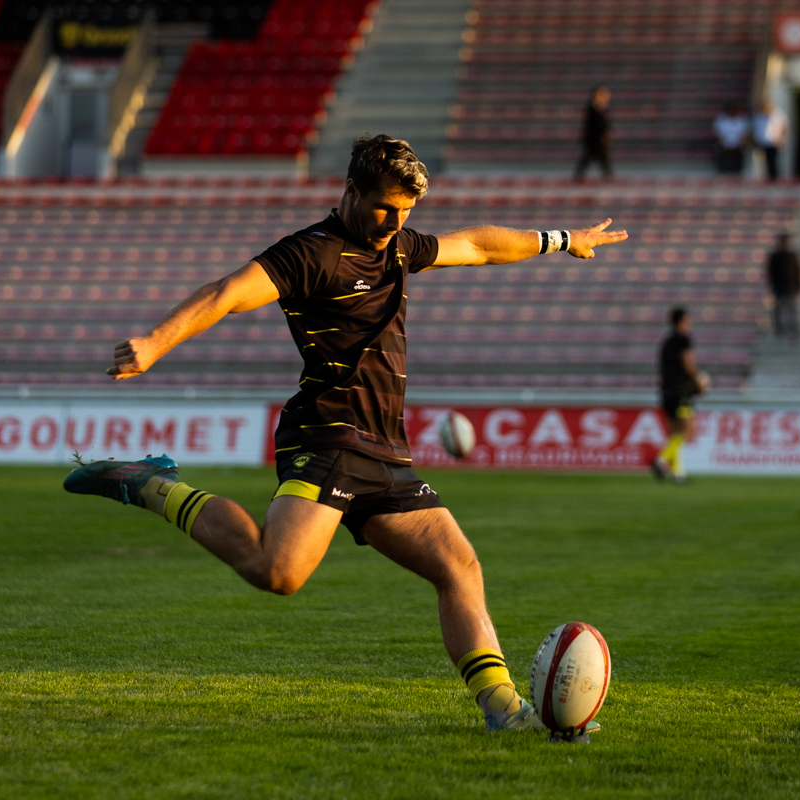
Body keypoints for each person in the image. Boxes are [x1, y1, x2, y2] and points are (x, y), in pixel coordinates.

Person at [62, 135, 627, 733]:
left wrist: (561, 239)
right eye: (385, 207)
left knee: (458, 566)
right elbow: (227, 293)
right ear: (352, 190)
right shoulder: (312, 254)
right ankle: (151, 484)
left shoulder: (399, 247)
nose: (395, 222)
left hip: (386, 450)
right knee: (277, 572)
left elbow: (478, 245)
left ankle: (505, 711)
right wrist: (156, 341)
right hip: (328, 436)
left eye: (406, 211)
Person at [652, 307, 708, 484]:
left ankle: (678, 473)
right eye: (688, 319)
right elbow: (688, 363)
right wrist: (698, 382)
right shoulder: (683, 340)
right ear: (682, 321)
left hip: (666, 392)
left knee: (675, 434)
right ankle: (661, 460)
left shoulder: (667, 341)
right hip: (681, 392)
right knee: (685, 432)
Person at [766, 233, 800, 340]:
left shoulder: (792, 256)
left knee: (791, 310)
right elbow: (771, 272)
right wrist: (773, 286)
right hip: (779, 287)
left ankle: (793, 330)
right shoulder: (775, 256)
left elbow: (797, 272)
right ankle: (779, 330)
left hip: (790, 286)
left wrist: (799, 286)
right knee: (778, 310)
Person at [574, 86, 612, 182]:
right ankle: (607, 176)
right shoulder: (593, 109)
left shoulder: (601, 108)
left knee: (597, 159)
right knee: (593, 158)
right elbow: (591, 125)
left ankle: (607, 176)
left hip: (597, 140)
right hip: (593, 139)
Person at [753, 99, 788, 181]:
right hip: (761, 142)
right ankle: (762, 178)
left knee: (773, 162)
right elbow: (755, 129)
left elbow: (784, 129)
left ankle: (774, 178)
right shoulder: (758, 116)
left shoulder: (778, 115)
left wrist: (782, 141)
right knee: (761, 162)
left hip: (773, 143)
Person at [712, 102, 749, 175]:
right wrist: (724, 145)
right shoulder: (721, 120)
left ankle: (738, 172)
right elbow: (717, 134)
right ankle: (723, 172)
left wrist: (739, 145)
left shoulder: (741, 120)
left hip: (738, 146)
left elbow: (746, 134)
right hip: (724, 146)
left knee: (740, 159)